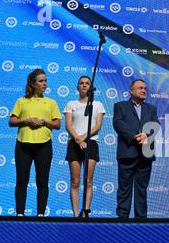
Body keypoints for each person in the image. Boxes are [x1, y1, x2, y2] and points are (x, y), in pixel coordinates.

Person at [9, 68, 61, 217]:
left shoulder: (51, 102)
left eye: (45, 80)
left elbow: (57, 124)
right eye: (41, 81)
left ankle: (41, 214)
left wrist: (44, 121)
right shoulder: (21, 101)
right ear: (33, 83)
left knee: (42, 181)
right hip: (23, 145)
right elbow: (11, 121)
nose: (44, 83)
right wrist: (26, 120)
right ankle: (20, 213)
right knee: (21, 180)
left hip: (44, 146)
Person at [113, 79, 159, 218]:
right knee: (124, 188)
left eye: (145, 88)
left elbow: (155, 125)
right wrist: (134, 136)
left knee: (142, 189)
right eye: (140, 88)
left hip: (145, 153)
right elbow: (118, 123)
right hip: (128, 151)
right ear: (131, 91)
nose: (144, 90)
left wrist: (146, 134)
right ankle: (122, 218)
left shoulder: (151, 108)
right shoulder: (120, 106)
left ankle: (141, 219)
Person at [63, 76, 106, 217]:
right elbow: (68, 125)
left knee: (88, 179)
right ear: (77, 87)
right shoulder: (71, 104)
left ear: (91, 87)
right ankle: (76, 214)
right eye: (81, 83)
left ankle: (86, 211)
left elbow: (98, 125)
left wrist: (83, 137)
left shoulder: (98, 105)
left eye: (87, 83)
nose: (84, 85)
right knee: (75, 180)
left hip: (91, 142)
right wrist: (78, 139)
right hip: (74, 143)